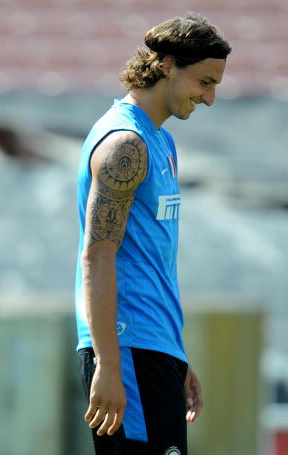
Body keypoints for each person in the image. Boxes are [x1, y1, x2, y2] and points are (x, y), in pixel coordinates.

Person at [74, 14, 231, 454]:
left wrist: (173, 354)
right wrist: (109, 363)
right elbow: (97, 256)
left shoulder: (160, 141)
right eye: (204, 82)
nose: (210, 98)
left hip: (152, 346)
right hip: (125, 349)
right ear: (165, 65)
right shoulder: (125, 144)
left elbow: (149, 257)